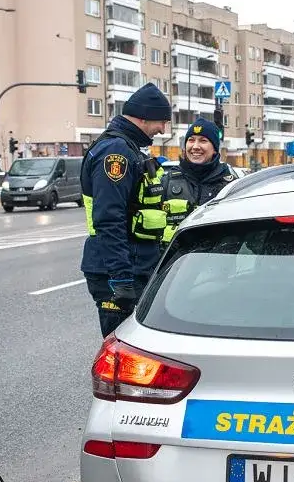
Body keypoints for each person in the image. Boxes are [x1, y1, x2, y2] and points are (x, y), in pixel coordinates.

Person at [79, 83, 172, 337]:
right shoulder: (115, 152)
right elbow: (109, 219)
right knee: (122, 354)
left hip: (133, 265)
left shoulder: (128, 147)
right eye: (161, 121)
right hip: (118, 271)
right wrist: (120, 279)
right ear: (144, 115)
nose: (162, 129)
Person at [160, 117, 238, 245]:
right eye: (191, 140)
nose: (195, 146)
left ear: (214, 149)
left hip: (219, 260)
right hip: (175, 262)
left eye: (203, 141)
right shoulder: (168, 181)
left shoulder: (230, 185)